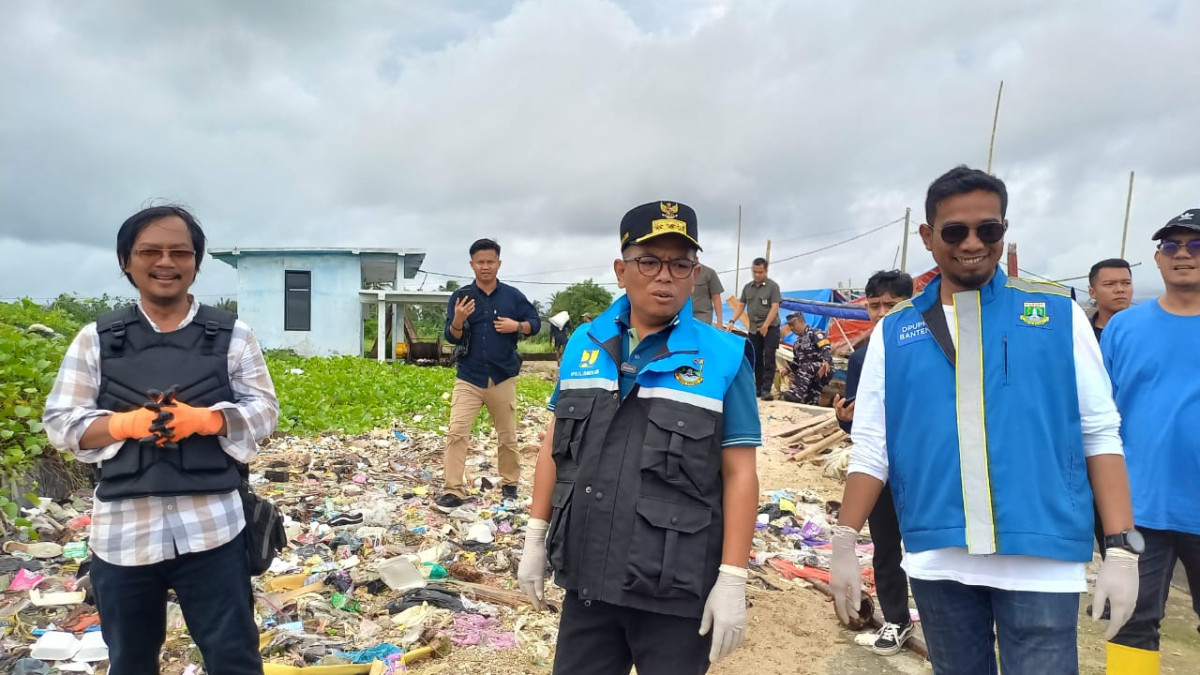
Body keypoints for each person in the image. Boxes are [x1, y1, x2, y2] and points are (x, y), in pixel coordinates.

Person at [828, 166, 1141, 675]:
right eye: (955, 231)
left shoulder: (1055, 313)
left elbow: (1099, 433)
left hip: (1041, 559)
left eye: (987, 229)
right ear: (928, 236)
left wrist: (1122, 547)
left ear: (1004, 230)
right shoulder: (896, 331)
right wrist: (844, 539)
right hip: (938, 557)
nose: (972, 243)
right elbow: (872, 446)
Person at [516, 200, 761, 674]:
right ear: (621, 270)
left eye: (680, 264)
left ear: (695, 273)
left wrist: (732, 577)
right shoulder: (584, 344)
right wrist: (535, 536)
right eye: (649, 261)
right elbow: (554, 444)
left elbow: (740, 474)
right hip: (588, 577)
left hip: (675, 588)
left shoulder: (725, 357)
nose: (664, 276)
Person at [42, 205, 278, 673]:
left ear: (196, 261)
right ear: (126, 261)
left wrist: (207, 419)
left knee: (234, 659)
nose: (166, 262)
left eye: (179, 252)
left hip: (214, 530)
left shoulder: (234, 336)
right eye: (150, 251)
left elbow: (265, 411)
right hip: (123, 536)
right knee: (130, 662)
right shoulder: (95, 339)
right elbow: (60, 422)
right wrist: (124, 425)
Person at [1101, 209, 1200, 674]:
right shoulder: (1124, 328)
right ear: (1158, 259)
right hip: (1138, 508)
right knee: (1129, 620)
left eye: (1195, 245)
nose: (1183, 254)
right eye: (1171, 245)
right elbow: (1098, 416)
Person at [830, 269, 914, 655]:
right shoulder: (862, 358)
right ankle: (897, 619)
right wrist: (843, 419)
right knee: (885, 544)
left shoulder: (927, 349)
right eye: (875, 305)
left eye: (891, 305)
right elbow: (859, 427)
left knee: (931, 548)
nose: (881, 313)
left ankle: (946, 623)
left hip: (925, 468)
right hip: (879, 471)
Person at [439, 238, 541, 508]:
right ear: (472, 265)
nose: (485, 266)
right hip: (469, 377)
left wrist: (516, 326)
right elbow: (451, 336)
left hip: (502, 376)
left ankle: (510, 483)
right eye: (480, 262)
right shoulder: (461, 297)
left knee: (507, 435)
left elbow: (535, 323)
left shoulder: (513, 296)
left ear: (499, 264)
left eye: (490, 261)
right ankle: (453, 490)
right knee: (457, 432)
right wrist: (459, 319)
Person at [727, 258, 781, 400]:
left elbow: (775, 307)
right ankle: (758, 388)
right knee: (755, 358)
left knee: (769, 357)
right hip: (753, 329)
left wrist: (766, 325)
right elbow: (741, 306)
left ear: (766, 271)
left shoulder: (773, 287)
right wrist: (732, 320)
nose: (757, 275)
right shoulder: (747, 288)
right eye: (755, 272)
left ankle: (766, 389)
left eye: (760, 272)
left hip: (770, 327)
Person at [779, 311, 833, 405]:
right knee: (810, 399)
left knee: (806, 366)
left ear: (800, 321)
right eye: (789, 325)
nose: (791, 328)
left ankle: (795, 393)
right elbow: (796, 362)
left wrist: (826, 361)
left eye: (792, 324)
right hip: (809, 374)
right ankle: (811, 401)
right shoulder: (797, 343)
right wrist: (787, 370)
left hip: (823, 368)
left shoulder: (815, 333)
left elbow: (825, 347)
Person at [1088, 258, 1133, 341]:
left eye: (1126, 283)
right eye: (1110, 284)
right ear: (1092, 292)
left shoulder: (1147, 331)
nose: (1120, 289)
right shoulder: (1081, 333)